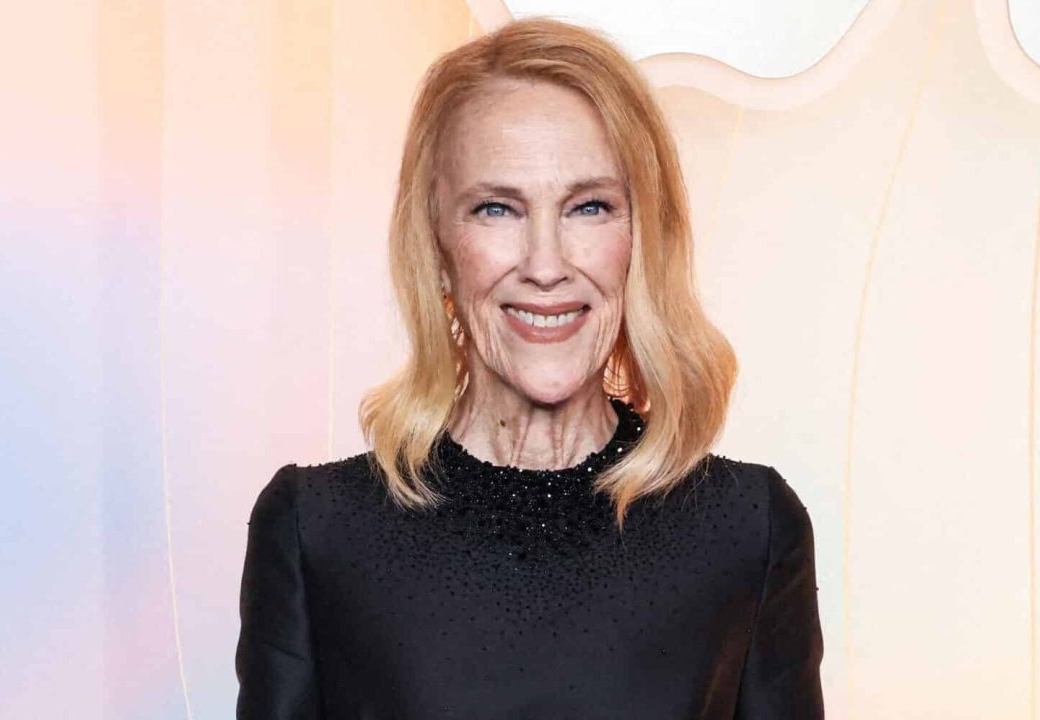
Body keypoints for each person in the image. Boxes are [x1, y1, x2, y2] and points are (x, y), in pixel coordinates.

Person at [236, 16, 824, 719]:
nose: (546, 265)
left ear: (642, 237)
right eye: (496, 209)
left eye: (589, 207)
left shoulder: (748, 530)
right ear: (437, 244)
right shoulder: (318, 531)